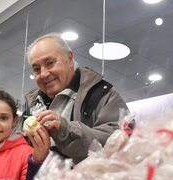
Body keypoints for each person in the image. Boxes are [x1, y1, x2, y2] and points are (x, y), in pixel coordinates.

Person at [24, 32, 129, 164]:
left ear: (69, 58)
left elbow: (123, 141)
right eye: (36, 69)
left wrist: (66, 130)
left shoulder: (102, 95)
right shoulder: (31, 104)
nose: (44, 74)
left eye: (50, 63)